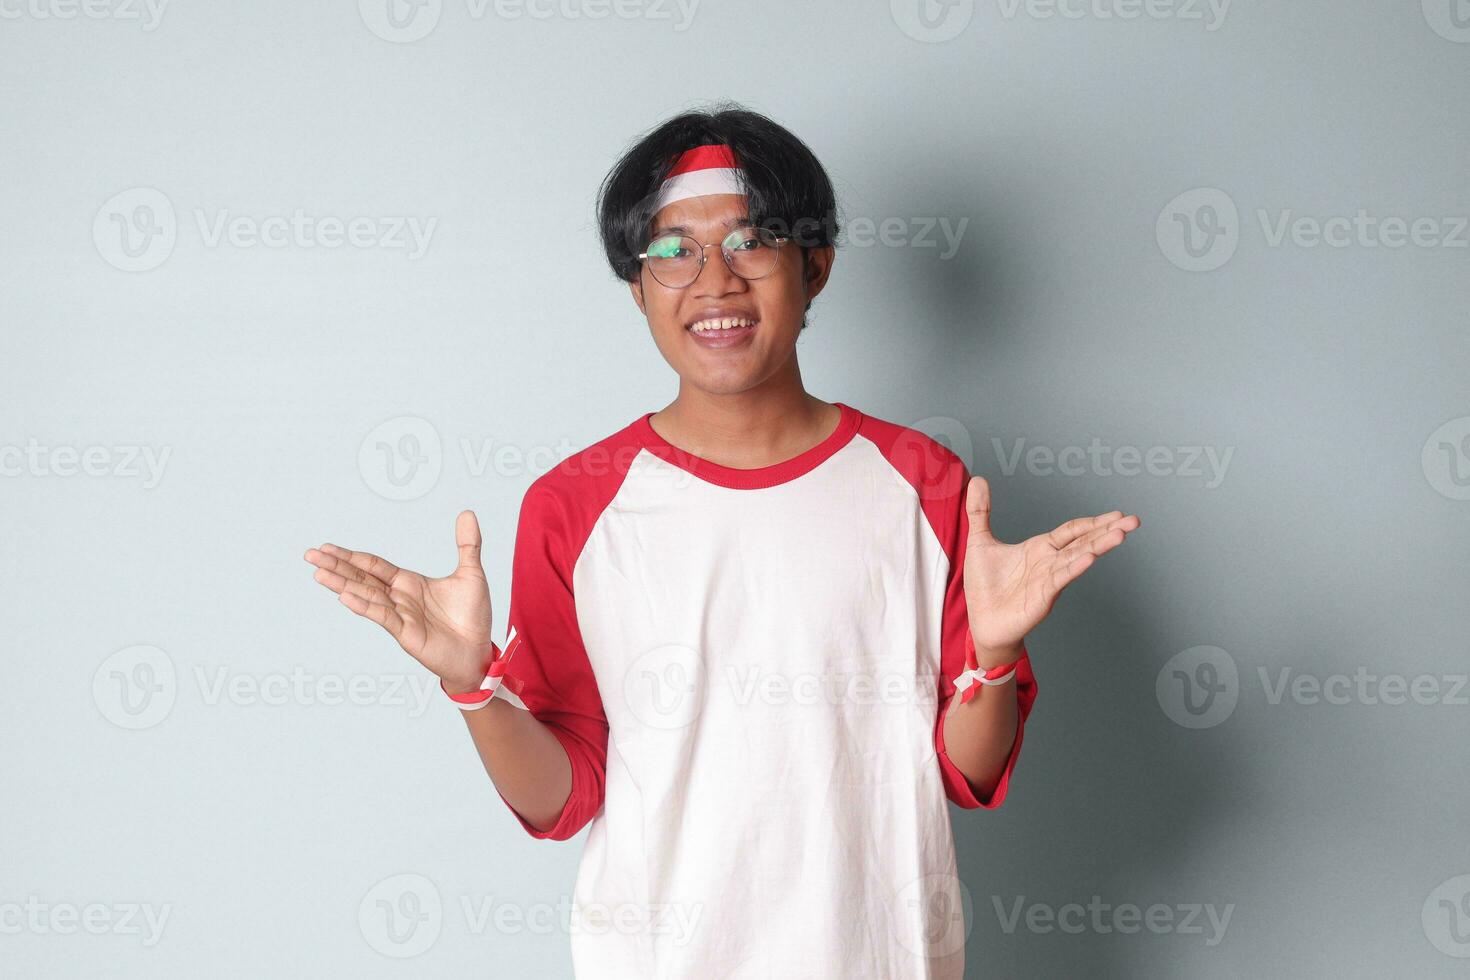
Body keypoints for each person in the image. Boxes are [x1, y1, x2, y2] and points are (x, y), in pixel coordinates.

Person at [303, 104, 1139, 978]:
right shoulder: (575, 504)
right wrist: (472, 687)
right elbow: (562, 797)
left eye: (751, 242)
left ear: (814, 267)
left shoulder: (923, 482)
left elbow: (967, 772)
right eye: (673, 251)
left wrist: (996, 654)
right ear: (636, 287)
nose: (714, 282)